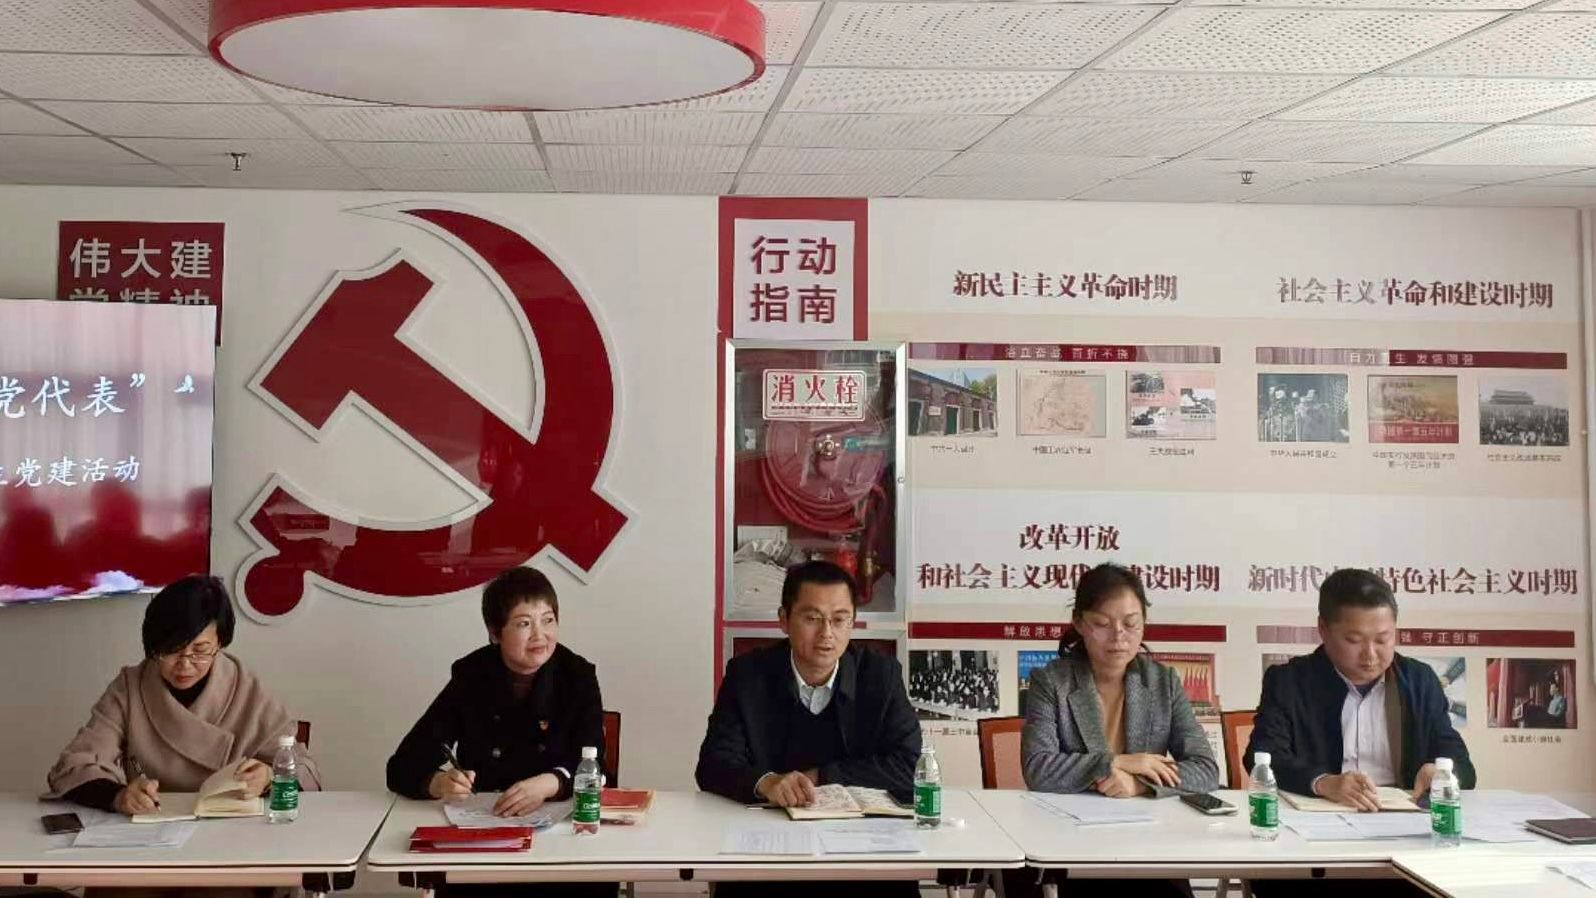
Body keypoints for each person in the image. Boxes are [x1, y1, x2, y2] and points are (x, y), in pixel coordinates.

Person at [696, 560, 921, 898]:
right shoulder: (748, 675)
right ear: (783, 620)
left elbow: (909, 766)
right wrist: (767, 782)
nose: (827, 633)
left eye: (839, 619)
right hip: (768, 853)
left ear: (852, 622)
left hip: (862, 856)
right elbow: (713, 764)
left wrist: (821, 777)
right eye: (812, 618)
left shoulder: (881, 676)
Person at [1245, 568, 1474, 897]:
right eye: (1354, 641)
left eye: (1383, 639)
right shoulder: (1290, 681)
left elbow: (1461, 763)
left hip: (1404, 845)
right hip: (1314, 847)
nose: (1370, 655)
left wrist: (1439, 772)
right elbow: (1263, 755)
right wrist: (1324, 782)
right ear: (1323, 630)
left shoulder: (1419, 681)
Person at [386, 566, 613, 898]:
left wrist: (552, 782)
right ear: (495, 632)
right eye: (524, 624)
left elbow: (597, 766)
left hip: (561, 843)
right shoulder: (471, 675)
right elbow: (401, 767)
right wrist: (439, 782)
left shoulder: (577, 675)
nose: (540, 635)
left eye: (548, 620)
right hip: (486, 841)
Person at [1019, 563, 1218, 898]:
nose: (1118, 636)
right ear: (1079, 624)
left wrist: (1140, 784)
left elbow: (1205, 769)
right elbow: (1038, 769)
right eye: (1102, 624)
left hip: (1148, 849)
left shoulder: (1163, 682)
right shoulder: (1052, 681)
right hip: (1071, 846)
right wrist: (1117, 762)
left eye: (1130, 623)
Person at [47, 575, 321, 814]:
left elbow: (306, 771)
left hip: (235, 831)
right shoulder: (130, 687)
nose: (185, 665)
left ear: (220, 642)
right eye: (170, 651)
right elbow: (74, 765)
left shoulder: (248, 690)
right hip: (151, 826)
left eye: (200, 651)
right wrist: (118, 796)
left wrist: (269, 778)